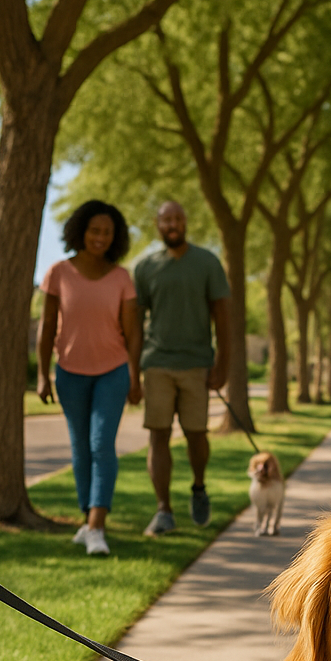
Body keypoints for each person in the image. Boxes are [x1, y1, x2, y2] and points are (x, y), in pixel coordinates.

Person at [37, 200, 141, 557]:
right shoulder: (58, 273)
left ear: (115, 237)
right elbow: (46, 326)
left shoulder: (121, 277)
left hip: (112, 371)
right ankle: (87, 520)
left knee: (101, 445)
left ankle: (97, 526)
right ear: (81, 231)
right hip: (69, 372)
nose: (100, 237)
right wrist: (41, 374)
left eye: (107, 232)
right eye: (95, 230)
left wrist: (135, 375)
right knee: (80, 449)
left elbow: (132, 333)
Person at [132, 200, 231, 536]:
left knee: (196, 434)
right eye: (166, 219)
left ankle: (198, 487)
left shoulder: (206, 262)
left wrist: (222, 364)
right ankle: (163, 510)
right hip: (157, 363)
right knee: (158, 434)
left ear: (185, 222)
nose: (172, 224)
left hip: (196, 364)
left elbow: (223, 315)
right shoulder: (146, 267)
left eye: (177, 218)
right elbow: (134, 324)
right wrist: (133, 371)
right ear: (158, 224)